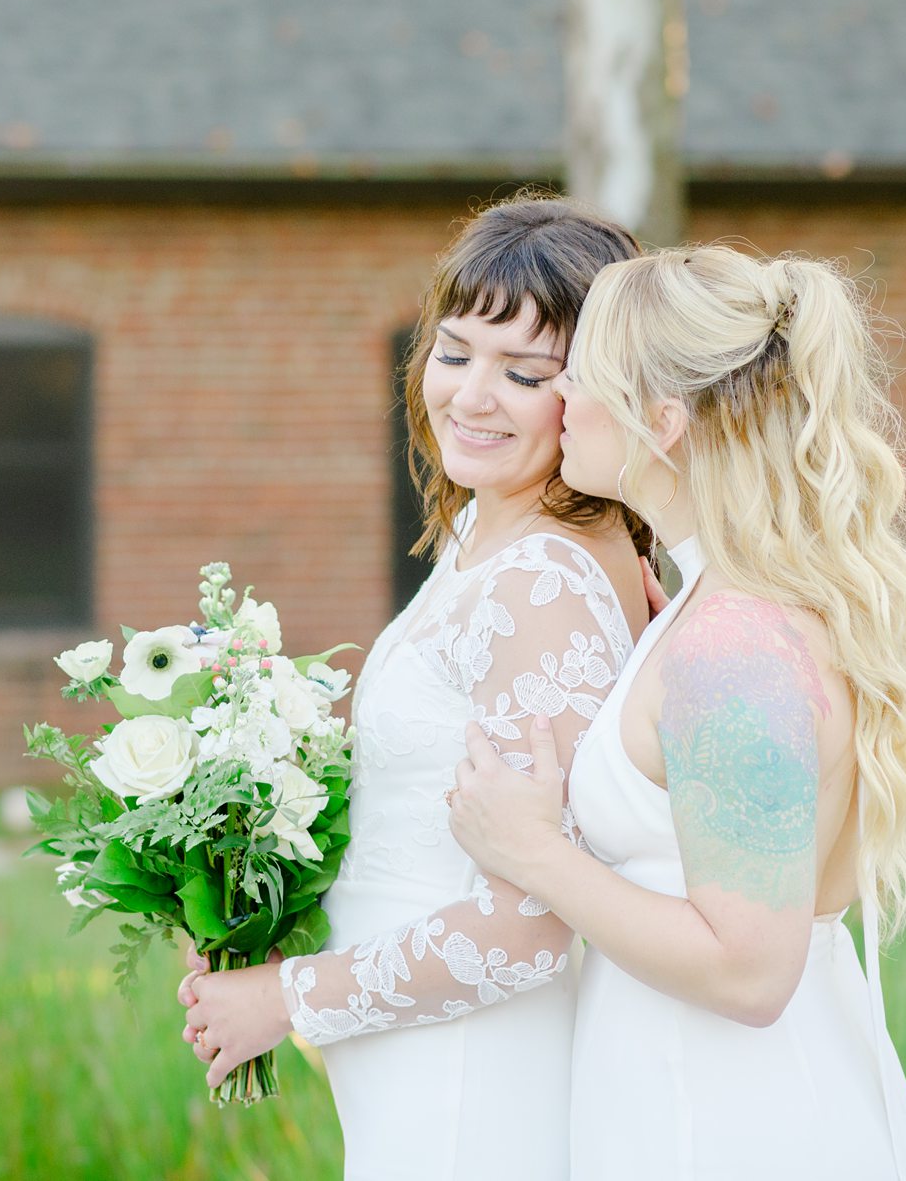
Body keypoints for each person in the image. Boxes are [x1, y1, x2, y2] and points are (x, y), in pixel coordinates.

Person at [446, 244, 906, 1180]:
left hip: (731, 1118)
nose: (560, 400)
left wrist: (532, 855)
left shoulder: (736, 645)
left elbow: (751, 972)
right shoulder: (712, 613)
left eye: (583, 376)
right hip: (684, 1095)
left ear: (661, 421)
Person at [178, 194, 655, 1180]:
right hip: (416, 1074)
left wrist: (285, 997)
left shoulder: (543, 582)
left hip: (475, 1087)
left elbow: (527, 921)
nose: (473, 395)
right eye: (455, 351)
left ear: (599, 390)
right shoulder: (487, 534)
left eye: (523, 372)